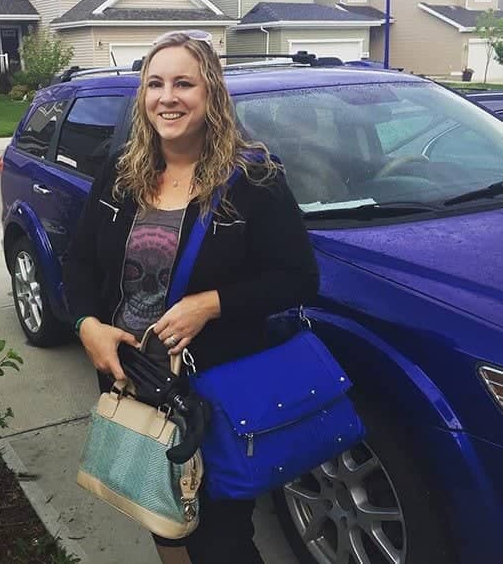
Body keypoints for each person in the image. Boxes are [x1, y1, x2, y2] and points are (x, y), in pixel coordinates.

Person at [64, 30, 319, 564]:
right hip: (133, 377)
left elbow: (298, 277)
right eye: (155, 83)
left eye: (184, 83)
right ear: (142, 96)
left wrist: (212, 303)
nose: (167, 97)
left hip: (214, 389)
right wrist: (87, 322)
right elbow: (80, 261)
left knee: (223, 536)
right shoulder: (121, 172)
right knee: (161, 515)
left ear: (211, 94)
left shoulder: (254, 178)